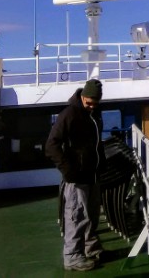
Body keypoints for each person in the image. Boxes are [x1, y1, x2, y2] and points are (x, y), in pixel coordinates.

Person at [46, 79, 105, 271]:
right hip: (76, 177)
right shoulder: (69, 114)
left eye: (95, 103)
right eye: (89, 103)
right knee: (76, 216)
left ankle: (90, 249)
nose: (92, 107)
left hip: (93, 175)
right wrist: (68, 170)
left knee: (92, 215)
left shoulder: (94, 114)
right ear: (82, 97)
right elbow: (51, 145)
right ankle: (72, 256)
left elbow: (96, 143)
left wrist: (101, 162)